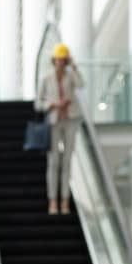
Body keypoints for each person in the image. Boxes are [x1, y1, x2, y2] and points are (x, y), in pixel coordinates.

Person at [36, 41, 84, 216]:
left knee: (67, 162)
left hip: (70, 120)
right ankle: (52, 201)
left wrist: (74, 66)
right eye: (59, 59)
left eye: (64, 60)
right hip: (54, 121)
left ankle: (65, 201)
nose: (61, 63)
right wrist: (53, 104)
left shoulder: (71, 75)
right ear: (54, 60)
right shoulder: (46, 78)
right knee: (53, 162)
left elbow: (81, 85)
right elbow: (38, 104)